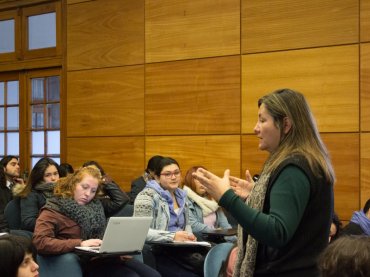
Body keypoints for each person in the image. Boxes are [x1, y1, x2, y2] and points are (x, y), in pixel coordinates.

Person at [193, 88, 335, 276]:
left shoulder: (294, 168)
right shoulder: (303, 161)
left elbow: (277, 232)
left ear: (286, 125)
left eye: (262, 120)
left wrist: (226, 197)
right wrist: (258, 196)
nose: (255, 128)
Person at [33, 166, 160, 277]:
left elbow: (121, 199)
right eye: (84, 187)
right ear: (72, 184)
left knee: (153, 275)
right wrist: (80, 244)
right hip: (83, 262)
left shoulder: (96, 205)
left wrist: (103, 180)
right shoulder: (53, 209)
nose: (88, 194)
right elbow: (40, 241)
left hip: (105, 257)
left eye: (93, 191)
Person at [134, 157, 206, 277]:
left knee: (214, 266)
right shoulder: (146, 196)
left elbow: (186, 225)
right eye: (167, 174)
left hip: (182, 249)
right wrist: (173, 236)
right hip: (159, 251)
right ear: (157, 177)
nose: (173, 177)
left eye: (176, 173)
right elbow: (140, 232)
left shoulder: (182, 195)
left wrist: (189, 236)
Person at [182, 165, 236, 242]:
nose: (202, 183)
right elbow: (193, 226)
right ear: (190, 181)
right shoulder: (185, 199)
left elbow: (225, 226)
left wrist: (235, 243)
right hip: (199, 241)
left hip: (217, 239)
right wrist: (216, 232)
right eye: (198, 179)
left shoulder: (213, 198)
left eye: (204, 179)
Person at [14, 157, 60, 232]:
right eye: (48, 175)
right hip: (41, 234)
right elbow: (28, 222)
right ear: (39, 177)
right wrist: (57, 223)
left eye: (56, 173)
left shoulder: (63, 192)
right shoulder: (31, 194)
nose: (53, 178)